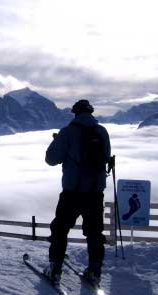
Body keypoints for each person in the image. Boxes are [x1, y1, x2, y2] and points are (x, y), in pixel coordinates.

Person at [43, 99, 111, 286]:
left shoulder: (67, 132)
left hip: (72, 192)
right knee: (95, 233)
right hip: (95, 193)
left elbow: (51, 159)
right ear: (91, 113)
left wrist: (58, 142)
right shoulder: (102, 132)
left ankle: (55, 269)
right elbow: (105, 158)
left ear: (75, 113)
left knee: (60, 230)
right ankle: (94, 271)